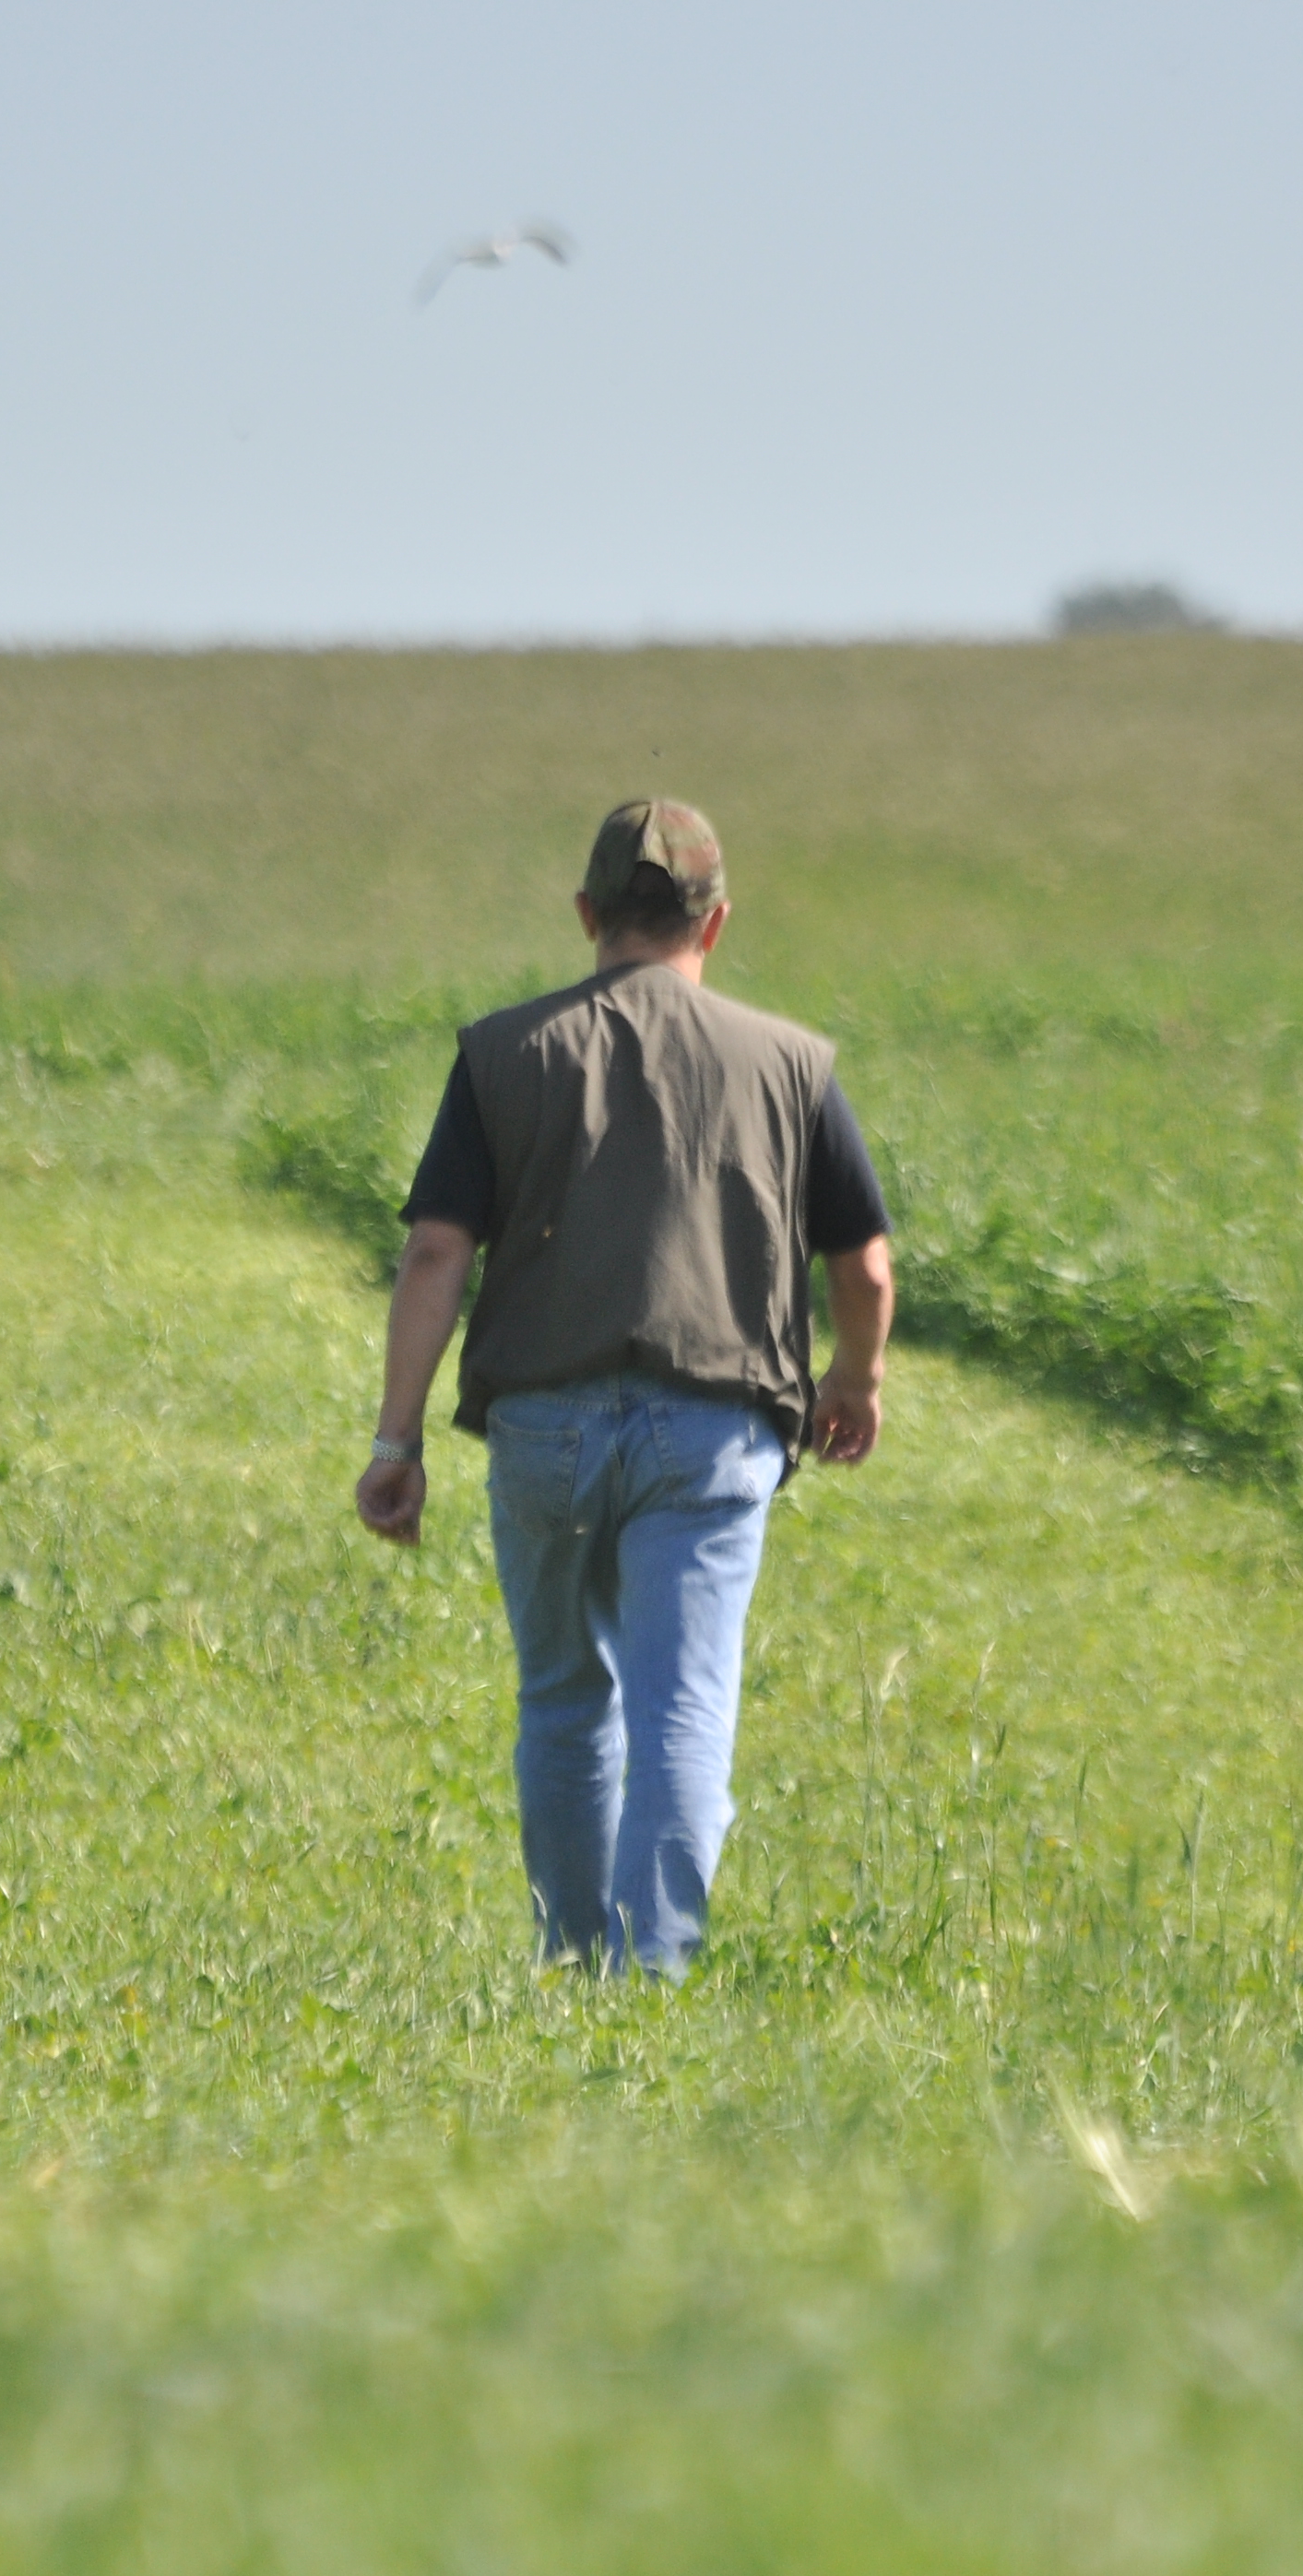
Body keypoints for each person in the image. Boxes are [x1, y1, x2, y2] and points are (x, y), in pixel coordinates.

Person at [355, 798, 895, 1977]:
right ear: (717, 922)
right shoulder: (790, 1063)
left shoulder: (502, 1053)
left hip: (542, 1427)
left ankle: (570, 1955)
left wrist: (398, 1441)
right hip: (709, 1435)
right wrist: (853, 1376)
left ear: (589, 914)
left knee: (562, 1699)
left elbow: (437, 1252)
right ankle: (651, 1978)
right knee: (681, 1711)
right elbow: (861, 1261)